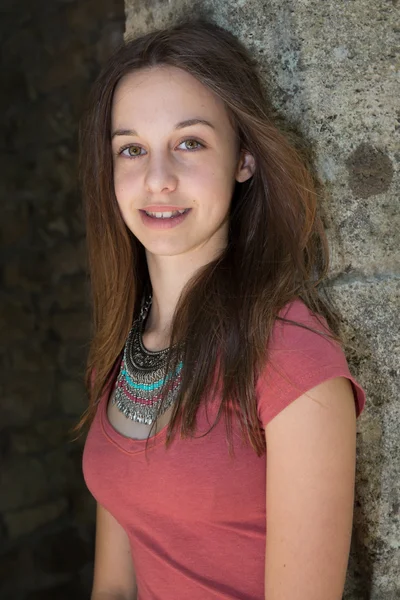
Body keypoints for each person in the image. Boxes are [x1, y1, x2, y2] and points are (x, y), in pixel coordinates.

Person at [76, 16, 366, 600]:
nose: (157, 179)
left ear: (244, 160)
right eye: (131, 150)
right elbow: (113, 585)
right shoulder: (124, 350)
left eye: (190, 143)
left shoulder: (291, 359)